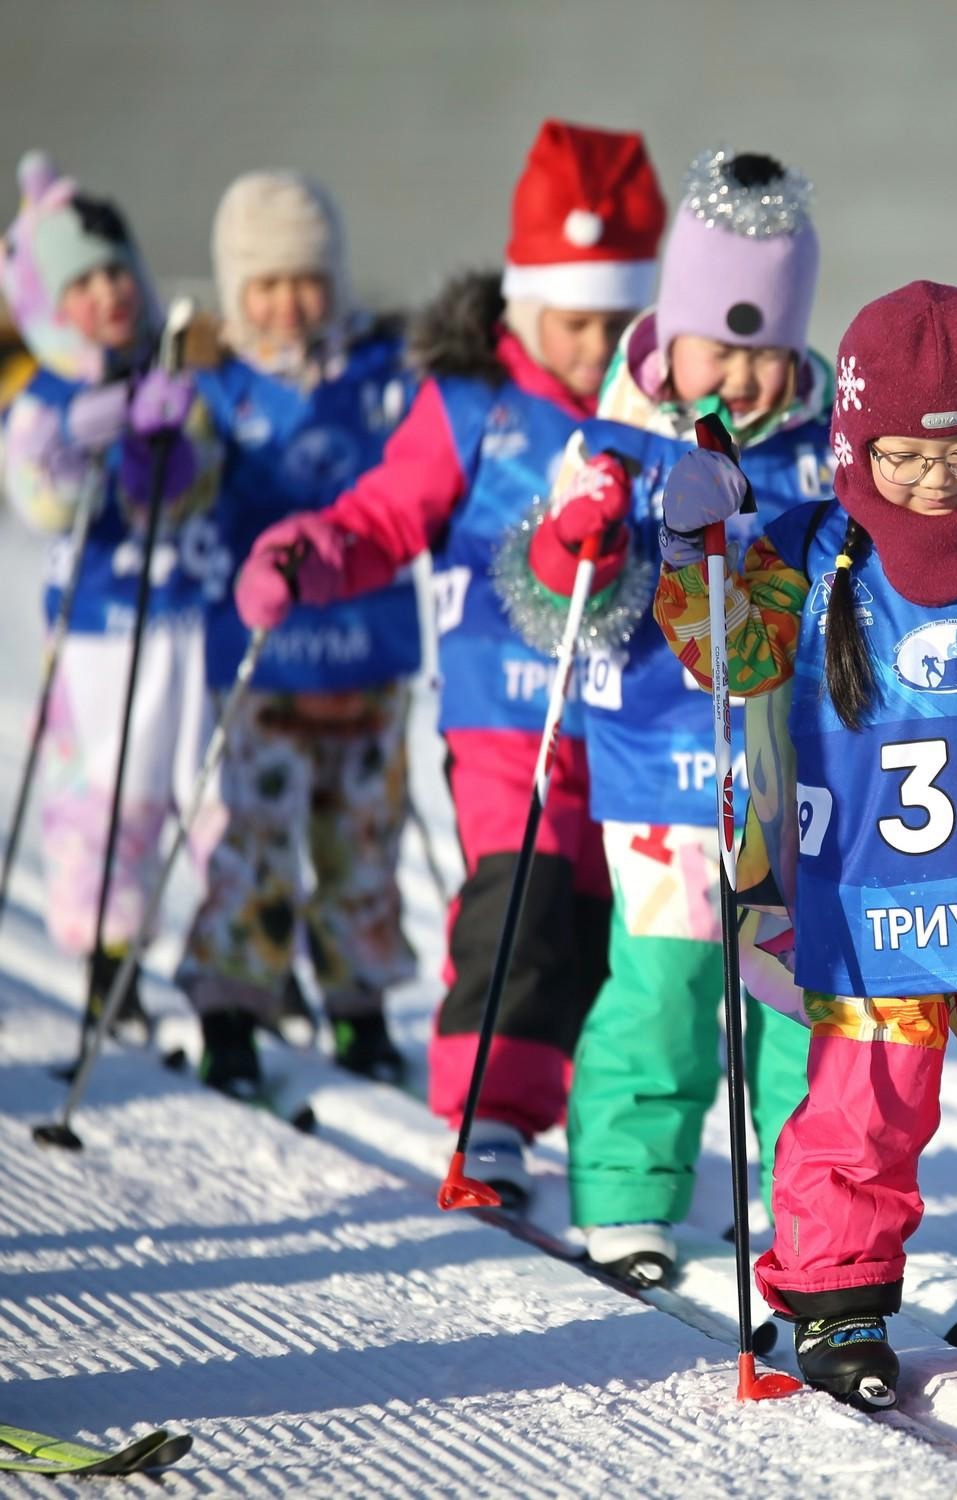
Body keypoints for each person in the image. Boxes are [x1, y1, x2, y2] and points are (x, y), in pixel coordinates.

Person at [651, 281, 957, 1408]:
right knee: (859, 1113)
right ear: (854, 440)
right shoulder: (813, 546)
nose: (936, 482)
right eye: (903, 456)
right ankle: (839, 1297)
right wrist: (689, 553)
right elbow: (726, 659)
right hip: (869, 905)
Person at [232, 120, 666, 1202]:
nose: (593, 344)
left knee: (615, 928)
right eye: (574, 321)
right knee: (519, 892)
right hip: (503, 710)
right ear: (527, 308)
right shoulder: (474, 404)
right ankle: (488, 1118)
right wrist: (309, 553)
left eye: (617, 320)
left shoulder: (655, 409)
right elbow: (383, 515)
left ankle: (597, 1116)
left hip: (631, 717)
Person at [507, 148, 830, 1282]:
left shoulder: (825, 455)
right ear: (668, 335)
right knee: (663, 989)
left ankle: (807, 1208)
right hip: (660, 778)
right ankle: (629, 1190)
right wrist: (575, 540)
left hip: (792, 782)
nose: (739, 374)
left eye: (763, 349)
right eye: (716, 346)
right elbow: (549, 604)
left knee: (796, 1006)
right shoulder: (614, 446)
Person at [175, 169, 421, 1095]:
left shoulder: (381, 375)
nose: (289, 302)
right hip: (264, 663)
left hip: (369, 653)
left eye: (307, 278)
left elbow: (426, 470)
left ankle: (357, 1001)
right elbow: (175, 491)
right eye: (266, 283)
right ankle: (234, 1002)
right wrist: (164, 448)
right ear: (236, 289)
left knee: (363, 834)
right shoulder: (217, 386)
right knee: (258, 834)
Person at [1, 150, 212, 1035]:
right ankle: (108, 957)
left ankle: (238, 972)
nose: (108, 295)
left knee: (195, 792)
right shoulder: (41, 394)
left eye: (116, 271)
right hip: (95, 630)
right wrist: (62, 453)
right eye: (80, 284)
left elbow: (198, 483)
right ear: (50, 304)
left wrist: (175, 443)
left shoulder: (166, 375)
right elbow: (41, 503)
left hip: (180, 622)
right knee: (104, 799)